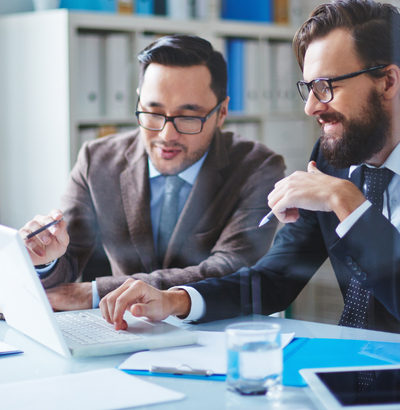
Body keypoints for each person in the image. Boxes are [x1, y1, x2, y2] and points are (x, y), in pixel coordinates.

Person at [100, 0, 400, 346]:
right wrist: (177, 300)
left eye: (326, 86)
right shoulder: (336, 154)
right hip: (356, 370)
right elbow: (276, 277)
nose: (311, 107)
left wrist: (349, 203)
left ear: (387, 81)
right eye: (308, 88)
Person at [22, 34, 285, 311]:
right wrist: (44, 257)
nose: (166, 135)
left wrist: (96, 292)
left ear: (222, 113)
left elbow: (230, 269)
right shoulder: (96, 160)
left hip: (215, 332)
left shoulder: (258, 168)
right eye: (153, 112)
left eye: (188, 117)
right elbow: (67, 260)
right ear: (138, 103)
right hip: (123, 330)